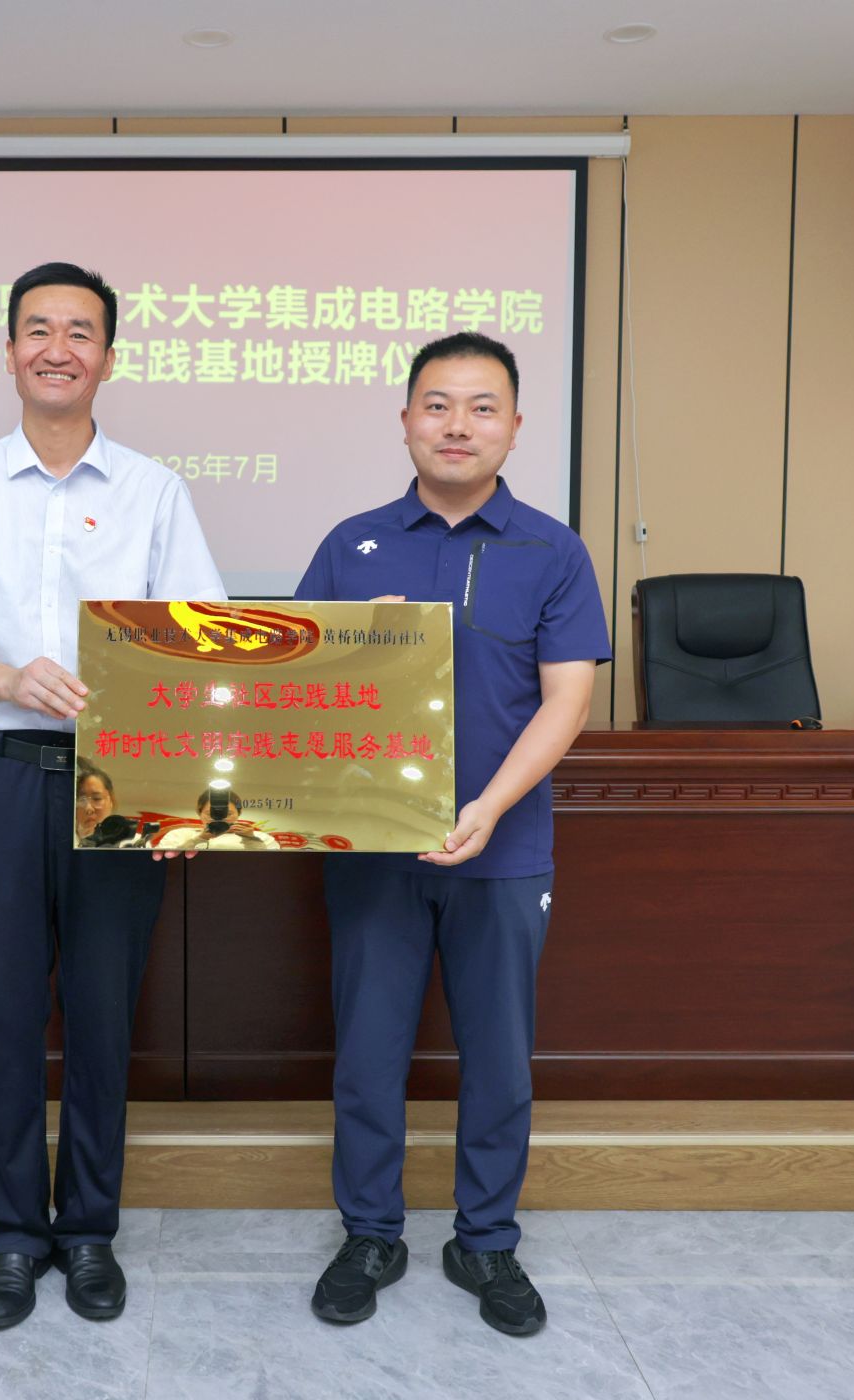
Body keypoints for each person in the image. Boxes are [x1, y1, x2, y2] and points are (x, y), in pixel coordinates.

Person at [0, 261, 225, 1330]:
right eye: (38, 329)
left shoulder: (155, 491)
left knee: (106, 1013)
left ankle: (89, 1232)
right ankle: (15, 1237)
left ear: (108, 358)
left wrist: (185, 791)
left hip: (121, 778)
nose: (57, 347)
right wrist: (6, 677)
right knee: (6, 1011)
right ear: (8, 352)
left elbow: (199, 647)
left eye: (79, 331)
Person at [294, 332, 608, 1337]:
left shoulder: (552, 550)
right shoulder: (351, 545)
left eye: (481, 407)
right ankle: (369, 1233)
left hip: (502, 847)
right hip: (372, 848)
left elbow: (565, 702)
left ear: (514, 426)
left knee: (500, 1058)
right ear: (404, 421)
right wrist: (356, 648)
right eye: (437, 404)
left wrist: (491, 806)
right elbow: (294, 700)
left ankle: (486, 1240)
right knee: (368, 1053)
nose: (457, 425)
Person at [151, 786, 282, 851]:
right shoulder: (179, 834)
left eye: (228, 814)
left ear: (239, 813)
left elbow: (274, 866)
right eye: (211, 813)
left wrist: (251, 839)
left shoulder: (261, 837)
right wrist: (199, 839)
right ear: (199, 813)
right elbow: (166, 863)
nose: (220, 818)